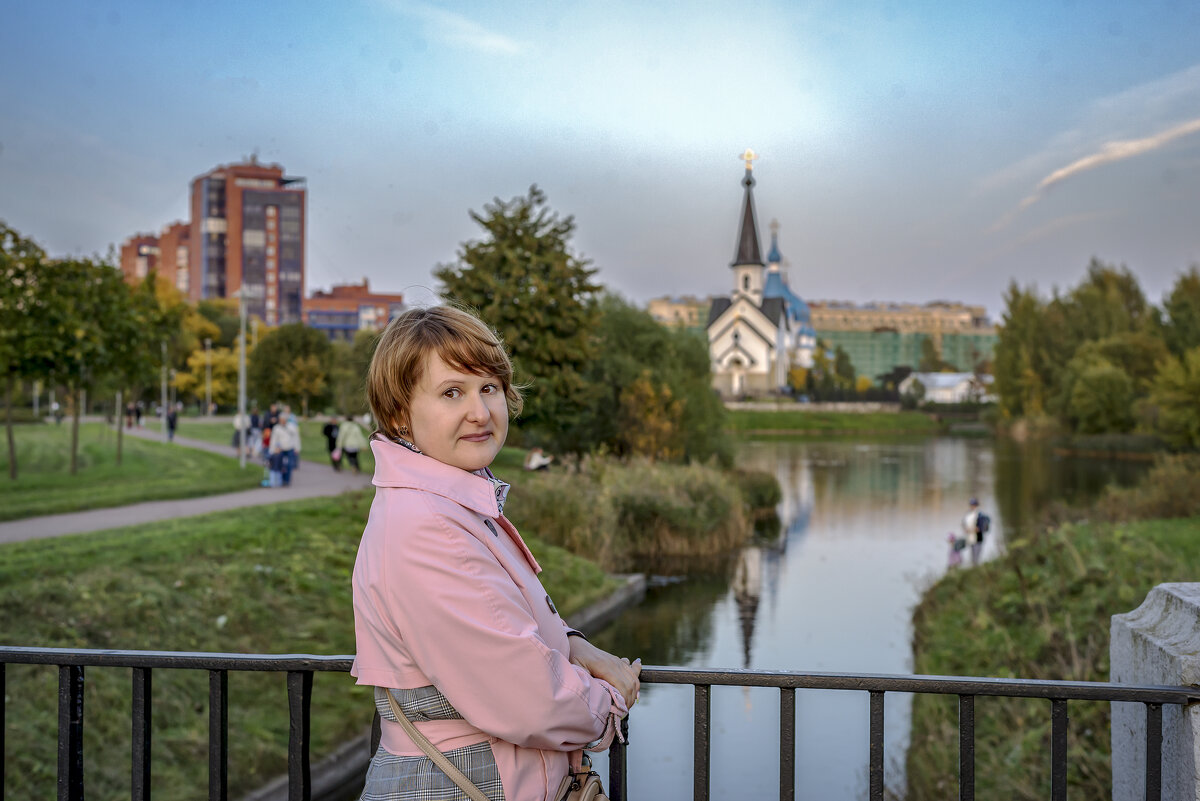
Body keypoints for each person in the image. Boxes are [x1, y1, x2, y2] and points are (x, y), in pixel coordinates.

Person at [352, 306, 639, 801]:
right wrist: (612, 698)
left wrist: (575, 645)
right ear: (400, 414)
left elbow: (499, 622)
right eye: (451, 393)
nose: (481, 412)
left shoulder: (449, 503)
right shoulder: (429, 528)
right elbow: (533, 702)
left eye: (488, 388)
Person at [268, 414, 297, 487]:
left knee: (289, 465)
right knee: (281, 465)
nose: (283, 421)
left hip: (290, 448)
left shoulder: (291, 427)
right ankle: (282, 480)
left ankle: (287, 480)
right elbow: (274, 439)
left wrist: (297, 448)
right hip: (281, 449)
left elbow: (295, 437)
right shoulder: (277, 428)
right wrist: (273, 449)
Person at [963, 497, 987, 566]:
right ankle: (974, 569)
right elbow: (964, 524)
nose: (972, 506)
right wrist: (966, 529)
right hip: (971, 538)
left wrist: (974, 529)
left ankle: (976, 570)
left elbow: (981, 528)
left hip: (978, 538)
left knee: (976, 557)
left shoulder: (980, 515)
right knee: (972, 557)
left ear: (976, 505)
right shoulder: (968, 514)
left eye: (974, 504)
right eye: (971, 504)